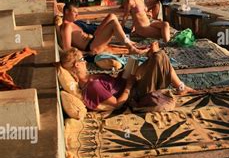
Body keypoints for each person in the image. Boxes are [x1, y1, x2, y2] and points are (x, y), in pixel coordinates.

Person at [59, 43, 193, 111]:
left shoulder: (89, 78)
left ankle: (181, 86)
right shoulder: (92, 86)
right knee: (159, 56)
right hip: (135, 93)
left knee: (156, 56)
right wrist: (129, 85)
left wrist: (123, 75)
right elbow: (117, 104)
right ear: (76, 65)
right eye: (82, 59)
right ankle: (181, 87)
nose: (85, 61)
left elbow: (111, 87)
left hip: (127, 82)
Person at [60, 3, 145, 55]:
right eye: (75, 12)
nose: (77, 15)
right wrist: (86, 53)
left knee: (112, 16)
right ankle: (131, 47)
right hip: (91, 47)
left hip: (94, 40)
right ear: (67, 11)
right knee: (113, 24)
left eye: (77, 13)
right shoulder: (66, 27)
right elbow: (67, 48)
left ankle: (129, 43)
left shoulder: (72, 24)